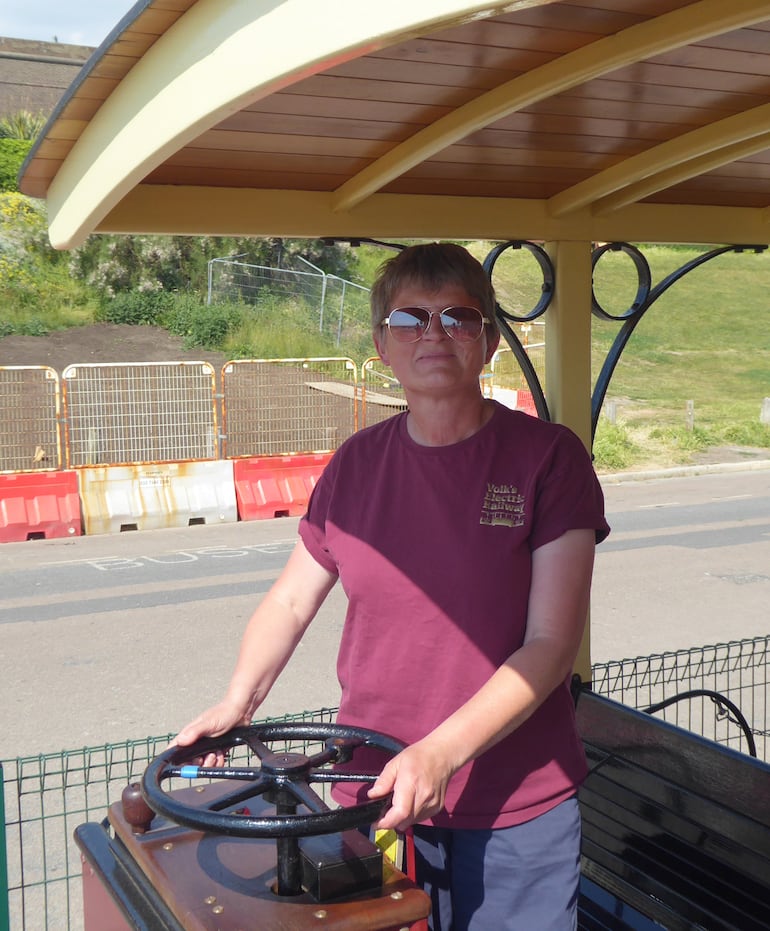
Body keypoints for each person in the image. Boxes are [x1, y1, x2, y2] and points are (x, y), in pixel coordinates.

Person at [176, 242, 610, 930]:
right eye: (410, 320)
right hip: (373, 792)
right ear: (382, 344)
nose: (433, 334)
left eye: (457, 317)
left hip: (512, 807)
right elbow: (292, 599)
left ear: (489, 340)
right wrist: (239, 697)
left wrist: (441, 749)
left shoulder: (548, 459)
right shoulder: (356, 465)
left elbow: (552, 643)